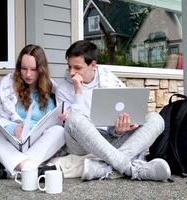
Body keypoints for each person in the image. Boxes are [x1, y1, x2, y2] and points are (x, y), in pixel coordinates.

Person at [55, 40, 171, 181]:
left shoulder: (107, 78)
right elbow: (71, 125)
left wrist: (121, 128)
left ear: (93, 65)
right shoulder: (63, 89)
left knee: (156, 119)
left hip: (111, 140)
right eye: (69, 67)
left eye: (77, 68)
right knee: (74, 120)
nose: (72, 72)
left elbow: (126, 107)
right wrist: (78, 91)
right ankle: (131, 169)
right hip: (82, 144)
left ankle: (103, 168)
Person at [0, 44, 64, 180]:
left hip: (37, 144)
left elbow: (52, 122)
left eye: (33, 69)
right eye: (24, 68)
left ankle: (10, 169)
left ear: (41, 69)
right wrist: (13, 128)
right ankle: (28, 168)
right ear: (18, 68)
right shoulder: (8, 87)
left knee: (60, 131)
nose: (28, 74)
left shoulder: (50, 91)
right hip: (11, 143)